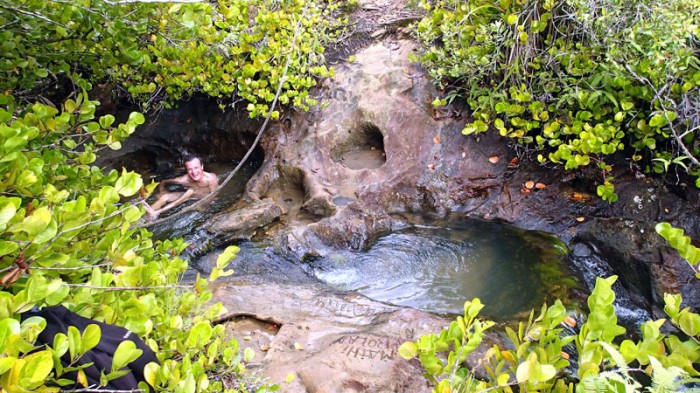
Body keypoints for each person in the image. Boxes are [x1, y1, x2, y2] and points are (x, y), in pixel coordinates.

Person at [143, 154, 218, 220]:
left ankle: (157, 212)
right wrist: (162, 191)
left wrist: (201, 205)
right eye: (190, 169)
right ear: (186, 170)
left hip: (204, 198)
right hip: (191, 195)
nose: (194, 172)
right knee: (165, 196)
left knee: (190, 192)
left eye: (196, 168)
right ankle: (147, 216)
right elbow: (163, 182)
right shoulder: (183, 180)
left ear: (202, 167)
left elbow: (214, 194)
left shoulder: (210, 178)